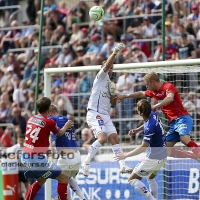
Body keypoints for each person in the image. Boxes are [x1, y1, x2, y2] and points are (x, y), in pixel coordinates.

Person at [116, 72, 200, 161]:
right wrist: (125, 96)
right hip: (173, 123)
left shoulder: (168, 86)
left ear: (153, 82)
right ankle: (193, 156)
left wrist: (155, 106)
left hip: (182, 118)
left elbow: (170, 98)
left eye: (147, 84)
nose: (146, 86)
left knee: (184, 138)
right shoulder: (153, 92)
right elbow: (141, 93)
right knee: (164, 150)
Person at [82, 43, 133, 177]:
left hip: (104, 114)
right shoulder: (100, 77)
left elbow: (113, 104)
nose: (110, 69)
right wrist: (115, 52)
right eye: (109, 67)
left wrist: (114, 97)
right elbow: (106, 65)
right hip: (94, 112)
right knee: (103, 138)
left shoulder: (110, 84)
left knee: (114, 138)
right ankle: (86, 162)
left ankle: (122, 165)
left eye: (112, 68)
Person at [21, 97, 73, 200]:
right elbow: (60, 133)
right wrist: (66, 126)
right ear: (49, 108)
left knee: (41, 179)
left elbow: (39, 135)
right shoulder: (50, 123)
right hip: (36, 159)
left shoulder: (31, 118)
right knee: (63, 177)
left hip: (25, 156)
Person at [115, 99, 167, 200]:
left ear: (140, 112)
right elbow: (147, 122)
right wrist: (137, 129)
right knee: (151, 178)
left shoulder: (149, 127)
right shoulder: (153, 114)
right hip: (163, 155)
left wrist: (125, 155)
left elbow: (143, 147)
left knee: (132, 180)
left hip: (153, 158)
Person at [48, 104, 86, 200]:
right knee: (67, 178)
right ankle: (83, 198)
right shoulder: (65, 119)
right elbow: (72, 131)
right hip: (77, 155)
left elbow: (60, 133)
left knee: (60, 179)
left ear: (49, 112)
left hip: (66, 157)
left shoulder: (52, 119)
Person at [6, 134, 29, 200]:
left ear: (24, 140)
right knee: (18, 184)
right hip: (17, 169)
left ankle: (28, 196)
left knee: (26, 183)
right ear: (17, 140)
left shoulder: (27, 148)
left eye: (22, 140)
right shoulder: (14, 148)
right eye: (19, 140)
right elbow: (8, 154)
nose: (21, 141)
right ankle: (21, 197)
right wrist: (14, 156)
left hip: (25, 168)